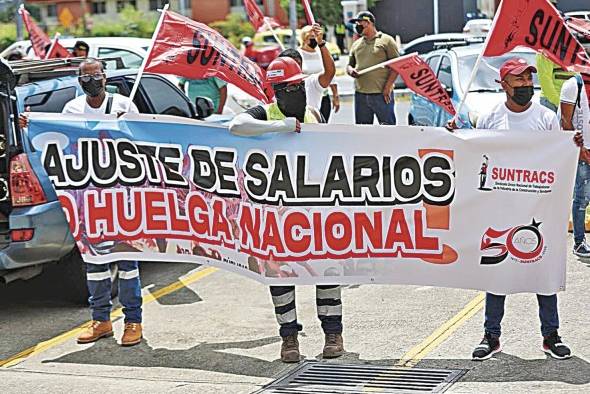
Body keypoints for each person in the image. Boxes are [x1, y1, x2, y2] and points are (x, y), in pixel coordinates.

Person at [19, 58, 143, 347]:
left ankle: (133, 321)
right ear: (79, 80)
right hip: (87, 199)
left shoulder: (125, 105)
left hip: (122, 197)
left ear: (105, 76)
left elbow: (142, 145)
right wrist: (32, 124)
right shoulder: (72, 110)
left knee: (127, 265)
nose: (90, 81)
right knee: (95, 263)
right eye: (84, 77)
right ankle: (100, 320)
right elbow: (59, 143)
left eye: (95, 75)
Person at [229, 57, 344, 363]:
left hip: (316, 208)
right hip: (278, 212)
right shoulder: (266, 112)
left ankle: (333, 333)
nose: (299, 91)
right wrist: (281, 126)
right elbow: (236, 125)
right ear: (278, 91)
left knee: (327, 267)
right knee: (280, 272)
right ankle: (289, 337)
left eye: (299, 85)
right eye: (291, 87)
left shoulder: (314, 114)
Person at [463, 58, 578, 361]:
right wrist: (454, 135)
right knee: (496, 274)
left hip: (538, 209)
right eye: (519, 80)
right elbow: (475, 158)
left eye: (529, 78)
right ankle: (491, 335)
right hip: (500, 211)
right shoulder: (490, 118)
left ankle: (551, 335)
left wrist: (572, 145)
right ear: (504, 84)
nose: (527, 84)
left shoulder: (545, 117)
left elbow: (558, 157)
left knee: (543, 271)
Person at [346, 11, 399, 125]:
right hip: (361, 95)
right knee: (363, 130)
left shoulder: (386, 40)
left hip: (381, 94)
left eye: (359, 23)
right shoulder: (356, 44)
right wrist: (351, 70)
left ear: (368, 22)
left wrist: (388, 87)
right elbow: (349, 65)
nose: (357, 26)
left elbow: (396, 66)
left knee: (388, 128)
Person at [559, 72, 590, 257]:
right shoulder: (573, 85)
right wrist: (579, 151)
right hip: (583, 151)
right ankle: (579, 242)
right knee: (582, 198)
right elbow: (566, 121)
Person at [298, 24, 340, 121]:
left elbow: (330, 74)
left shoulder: (322, 53)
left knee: (323, 124)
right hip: (306, 98)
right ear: (304, 38)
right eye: (311, 37)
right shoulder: (298, 54)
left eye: (315, 37)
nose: (314, 40)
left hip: (324, 96)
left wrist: (335, 95)